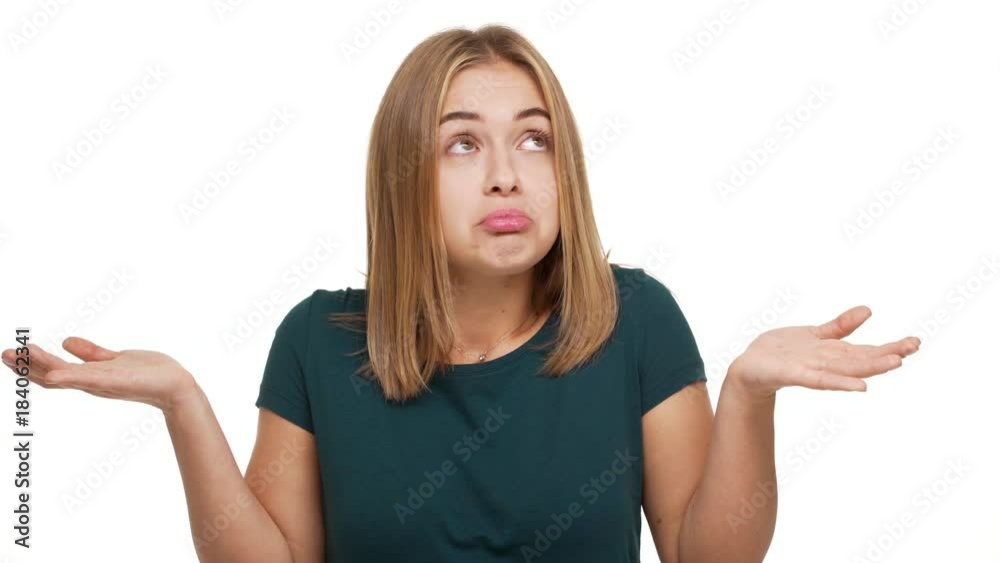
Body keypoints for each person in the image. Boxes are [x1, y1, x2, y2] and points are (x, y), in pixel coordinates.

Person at [1, 23, 921, 563]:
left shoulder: (637, 319)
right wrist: (181, 403)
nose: (507, 177)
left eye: (532, 139)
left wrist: (750, 394)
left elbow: (703, 557)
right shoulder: (318, 340)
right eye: (461, 144)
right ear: (405, 174)